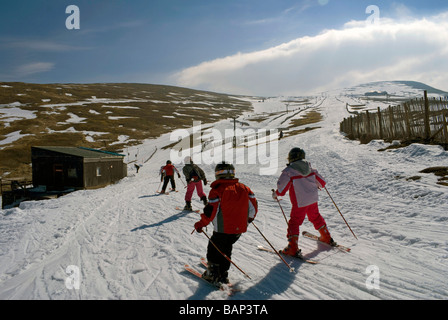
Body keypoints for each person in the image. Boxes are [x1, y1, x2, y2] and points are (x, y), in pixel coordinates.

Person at [194, 162, 258, 284]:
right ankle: (223, 273)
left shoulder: (217, 190)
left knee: (214, 248)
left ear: (217, 174)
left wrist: (201, 224)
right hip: (238, 230)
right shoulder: (244, 188)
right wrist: (249, 219)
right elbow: (253, 207)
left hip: (222, 230)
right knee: (226, 248)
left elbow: (211, 212)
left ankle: (212, 273)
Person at [272, 147, 334, 257]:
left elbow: (281, 190)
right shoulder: (310, 169)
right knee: (315, 217)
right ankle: (326, 237)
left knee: (294, 222)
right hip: (312, 199)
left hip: (299, 202)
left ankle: (292, 247)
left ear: (291, 158)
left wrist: (276, 194)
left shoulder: (289, 172)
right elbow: (322, 183)